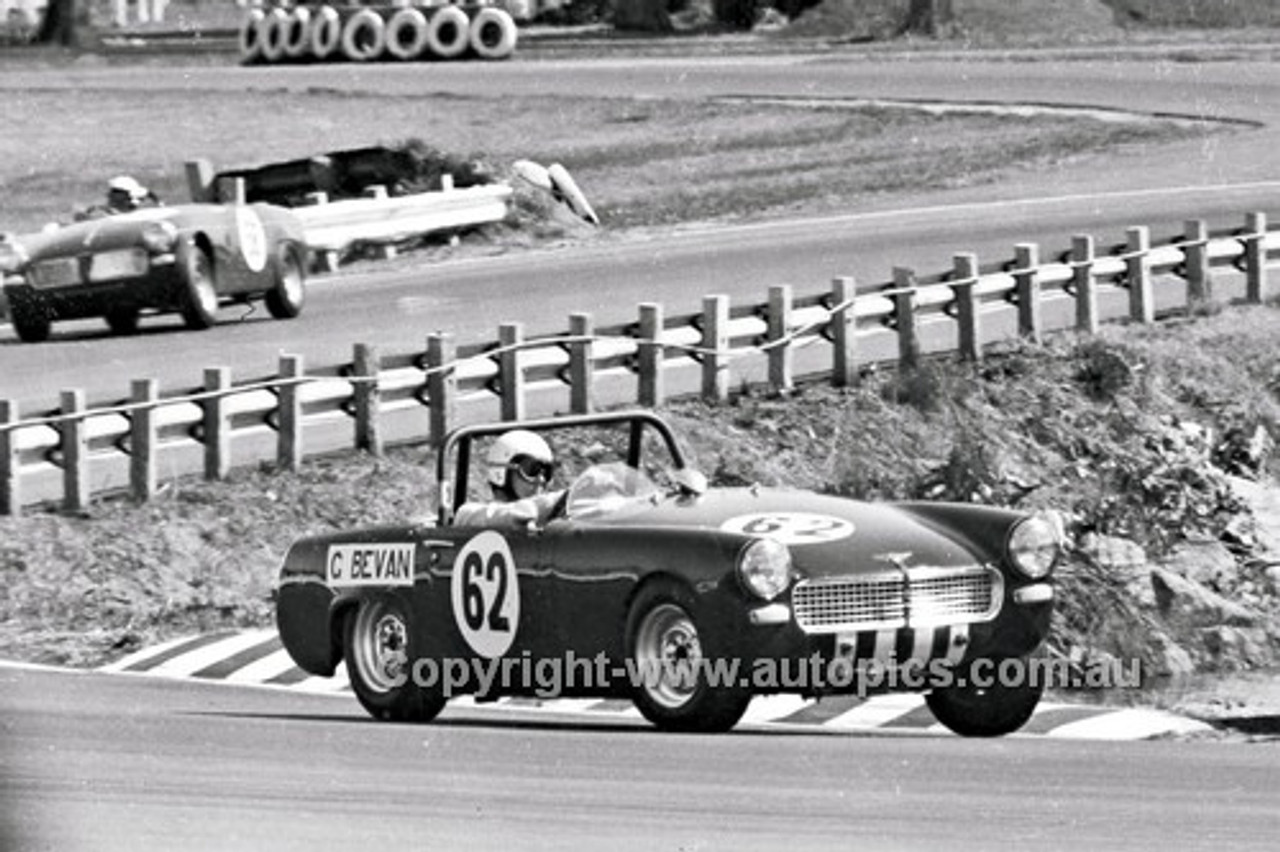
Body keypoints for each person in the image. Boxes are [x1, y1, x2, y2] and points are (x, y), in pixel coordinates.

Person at [454, 429, 564, 531]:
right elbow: (516, 514)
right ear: (501, 472)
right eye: (531, 470)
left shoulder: (549, 519)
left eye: (546, 472)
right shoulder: (470, 515)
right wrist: (560, 499)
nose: (540, 479)